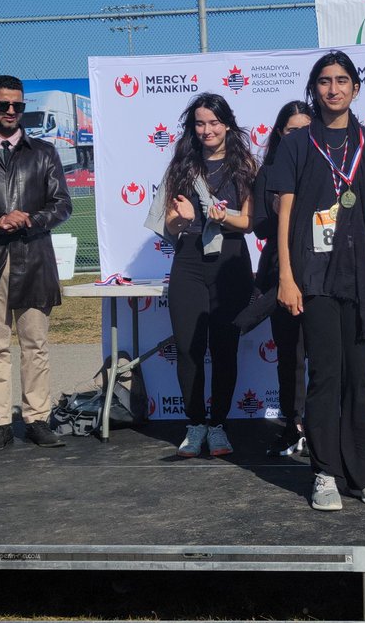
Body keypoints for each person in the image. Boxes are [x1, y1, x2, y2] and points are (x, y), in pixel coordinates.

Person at [271, 50, 365, 511]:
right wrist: (286, 276)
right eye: (325, 81)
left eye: (342, 80)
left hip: (361, 276)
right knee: (325, 376)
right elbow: (285, 216)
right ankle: (324, 473)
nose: (333, 88)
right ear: (315, 89)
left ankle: (363, 473)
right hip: (314, 276)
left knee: (359, 379)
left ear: (355, 88)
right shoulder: (296, 144)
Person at [0, 75, 73, 453]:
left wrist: (29, 220)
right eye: (3, 105)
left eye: (17, 105)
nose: (10, 111)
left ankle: (37, 419)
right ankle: (1, 423)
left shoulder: (44, 152)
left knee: (35, 344)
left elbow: (61, 204)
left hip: (33, 257)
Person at [145, 93, 257, 459]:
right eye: (200, 123)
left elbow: (249, 222)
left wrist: (223, 217)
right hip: (189, 260)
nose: (207, 130)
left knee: (224, 348)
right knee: (189, 348)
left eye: (214, 122)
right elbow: (170, 224)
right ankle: (195, 425)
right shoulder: (181, 166)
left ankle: (218, 424)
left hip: (230, 260)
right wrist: (183, 219)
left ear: (227, 124)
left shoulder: (245, 165)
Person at [251, 99, 313, 457]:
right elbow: (259, 226)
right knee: (290, 353)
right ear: (280, 133)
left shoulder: (327, 167)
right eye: (292, 130)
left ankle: (321, 425)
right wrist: (279, 211)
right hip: (281, 273)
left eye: (306, 129)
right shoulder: (269, 171)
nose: (299, 136)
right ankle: (294, 423)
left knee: (323, 354)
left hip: (321, 271)